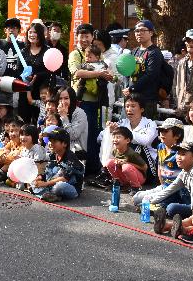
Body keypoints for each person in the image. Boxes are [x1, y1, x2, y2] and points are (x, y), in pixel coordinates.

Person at [68, 23, 112, 175]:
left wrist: (107, 75)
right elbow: (77, 72)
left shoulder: (98, 53)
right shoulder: (75, 54)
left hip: (97, 101)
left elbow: (109, 73)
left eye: (87, 36)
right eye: (81, 36)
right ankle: (81, 168)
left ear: (92, 37)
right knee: (81, 135)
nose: (84, 39)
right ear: (77, 37)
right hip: (81, 101)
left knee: (95, 133)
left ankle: (93, 167)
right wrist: (99, 73)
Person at [96, 94, 158, 186]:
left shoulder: (150, 124)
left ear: (142, 109)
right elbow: (100, 137)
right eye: (127, 106)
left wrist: (121, 133)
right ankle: (106, 170)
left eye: (133, 106)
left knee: (131, 142)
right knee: (111, 137)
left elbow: (145, 140)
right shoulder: (123, 122)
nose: (129, 109)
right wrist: (110, 130)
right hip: (124, 163)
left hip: (144, 166)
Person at [133, 118, 186, 208]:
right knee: (137, 198)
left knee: (147, 201)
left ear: (177, 135)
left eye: (165, 131)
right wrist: (161, 185)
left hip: (176, 190)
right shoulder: (160, 146)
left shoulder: (181, 152)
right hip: (164, 186)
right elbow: (159, 166)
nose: (162, 133)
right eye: (161, 130)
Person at [147, 142, 193, 223]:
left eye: (183, 154)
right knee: (167, 197)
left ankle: (163, 212)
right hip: (185, 199)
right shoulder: (184, 171)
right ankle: (159, 209)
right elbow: (170, 189)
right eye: (178, 154)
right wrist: (150, 202)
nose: (178, 157)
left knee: (171, 208)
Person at [124, 20, 164, 120]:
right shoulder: (135, 51)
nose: (139, 33)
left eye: (142, 30)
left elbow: (151, 75)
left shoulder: (154, 52)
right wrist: (127, 87)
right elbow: (127, 71)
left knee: (144, 131)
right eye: (137, 31)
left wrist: (132, 88)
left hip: (147, 100)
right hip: (131, 99)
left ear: (151, 33)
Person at [32, 128, 85, 202]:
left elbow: (65, 178)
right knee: (33, 181)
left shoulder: (70, 158)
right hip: (53, 182)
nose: (50, 143)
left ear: (64, 144)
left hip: (71, 186)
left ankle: (46, 193)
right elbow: (47, 171)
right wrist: (40, 177)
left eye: (54, 141)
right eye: (50, 141)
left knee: (59, 187)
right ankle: (49, 194)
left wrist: (45, 184)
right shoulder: (53, 155)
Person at [18, 22, 49, 124]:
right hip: (25, 90)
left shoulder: (47, 51)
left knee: (40, 120)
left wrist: (36, 76)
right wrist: (25, 77)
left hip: (41, 91)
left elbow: (50, 71)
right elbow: (18, 70)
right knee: (24, 119)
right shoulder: (23, 51)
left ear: (40, 34)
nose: (31, 34)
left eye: (34, 32)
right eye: (30, 32)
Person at [105, 126, 148, 194]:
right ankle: (119, 183)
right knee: (109, 162)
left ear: (127, 140)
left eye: (118, 137)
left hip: (139, 178)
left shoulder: (132, 153)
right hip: (126, 176)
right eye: (114, 137)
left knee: (126, 167)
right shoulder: (115, 151)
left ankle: (136, 187)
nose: (115, 139)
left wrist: (127, 163)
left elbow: (145, 167)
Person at [56, 86, 88, 158]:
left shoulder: (79, 113)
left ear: (72, 99)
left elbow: (72, 135)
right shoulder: (58, 111)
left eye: (66, 98)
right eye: (60, 99)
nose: (63, 102)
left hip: (77, 152)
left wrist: (64, 117)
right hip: (60, 150)